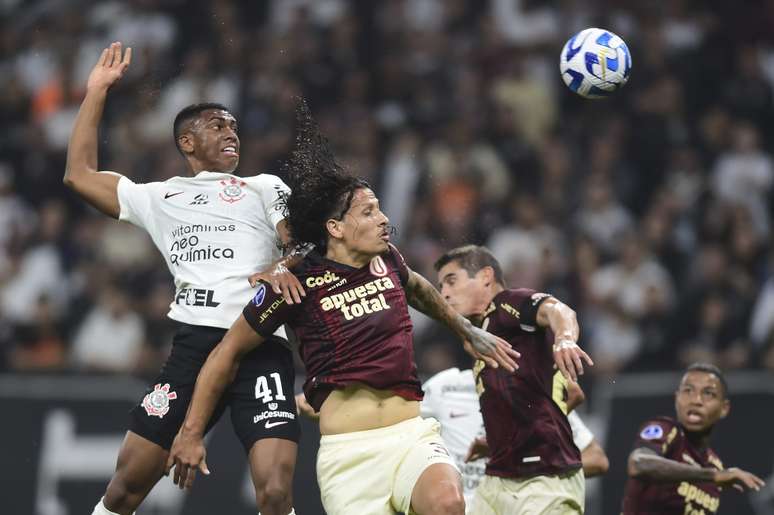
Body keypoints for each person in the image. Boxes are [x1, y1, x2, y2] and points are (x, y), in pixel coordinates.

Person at [165, 100, 519, 515]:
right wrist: (190, 432)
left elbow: (417, 287)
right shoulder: (294, 283)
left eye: (380, 209)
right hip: (350, 456)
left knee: (447, 503)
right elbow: (226, 352)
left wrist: (464, 328)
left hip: (411, 435)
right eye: (369, 212)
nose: (384, 219)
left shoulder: (387, 260)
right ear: (335, 228)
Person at [65, 43, 305, 515]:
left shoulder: (263, 187)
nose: (231, 131)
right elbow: (78, 175)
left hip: (260, 343)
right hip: (195, 345)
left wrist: (283, 264)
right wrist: (95, 92)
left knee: (275, 492)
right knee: (125, 487)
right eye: (218, 125)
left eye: (234, 125)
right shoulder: (159, 197)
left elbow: (299, 243)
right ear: (187, 142)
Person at [434, 244, 594, 514]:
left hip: (544, 477)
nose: (444, 293)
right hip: (498, 478)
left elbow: (559, 311)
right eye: (440, 286)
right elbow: (573, 393)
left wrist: (565, 338)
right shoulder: (483, 336)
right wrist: (506, 435)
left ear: (486, 276)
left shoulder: (508, 304)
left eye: (451, 281)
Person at [418, 367, 608, 510]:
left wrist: (525, 463)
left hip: (519, 506)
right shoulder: (447, 386)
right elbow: (403, 431)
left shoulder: (536, 393)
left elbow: (596, 459)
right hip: (459, 507)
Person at [622, 363, 765, 514]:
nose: (696, 400)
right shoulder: (666, 430)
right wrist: (713, 476)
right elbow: (638, 464)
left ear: (724, 408)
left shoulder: (715, 465)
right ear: (676, 398)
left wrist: (714, 475)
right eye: (688, 391)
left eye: (708, 393)